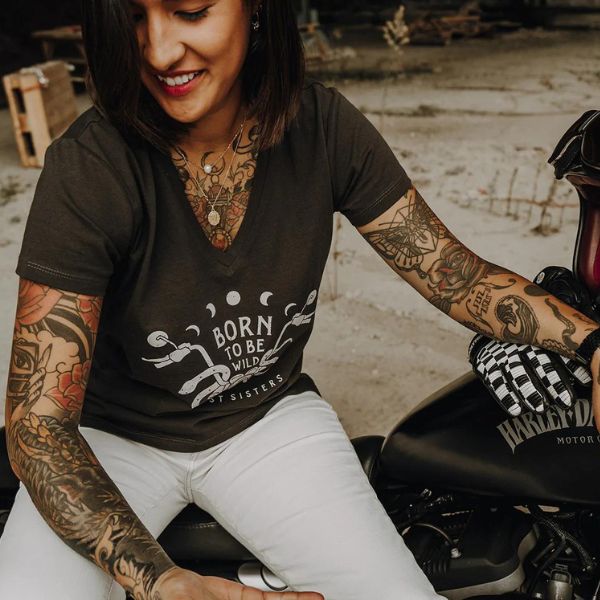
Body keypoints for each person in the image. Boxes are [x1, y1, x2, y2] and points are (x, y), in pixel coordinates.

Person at [1, 1, 600, 599]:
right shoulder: (91, 166)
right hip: (111, 440)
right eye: (134, 16)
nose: (157, 51)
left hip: (266, 422)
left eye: (191, 11)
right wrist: (162, 581)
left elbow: (455, 275)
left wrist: (594, 346)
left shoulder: (323, 127)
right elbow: (38, 422)